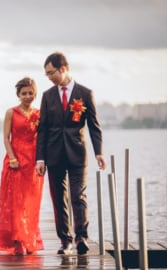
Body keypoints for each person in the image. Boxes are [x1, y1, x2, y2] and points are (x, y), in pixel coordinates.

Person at [35, 52, 107, 255]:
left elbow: (94, 126)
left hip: (77, 153)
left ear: (63, 69)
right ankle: (65, 241)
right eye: (46, 74)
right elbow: (43, 128)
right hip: (54, 154)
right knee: (59, 198)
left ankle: (81, 237)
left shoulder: (85, 93)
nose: (49, 77)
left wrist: (98, 152)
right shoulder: (47, 96)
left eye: (51, 73)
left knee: (78, 195)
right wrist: (40, 158)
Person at [0, 77, 45, 255]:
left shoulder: (39, 114)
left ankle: (29, 238)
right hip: (15, 162)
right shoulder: (11, 113)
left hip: (34, 162)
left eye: (30, 93)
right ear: (18, 95)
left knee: (31, 202)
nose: (27, 96)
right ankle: (17, 241)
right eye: (24, 93)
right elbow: (6, 138)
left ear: (35, 94)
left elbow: (43, 138)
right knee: (15, 203)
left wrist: (41, 161)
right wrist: (12, 158)